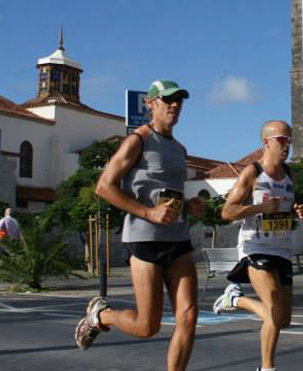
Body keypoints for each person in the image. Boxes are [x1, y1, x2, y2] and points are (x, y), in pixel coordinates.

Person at [74, 80, 202, 371]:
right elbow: (104, 187)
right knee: (147, 326)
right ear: (151, 104)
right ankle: (101, 316)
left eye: (179, 101)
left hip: (178, 237)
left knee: (189, 315)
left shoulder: (180, 149)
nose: (174, 105)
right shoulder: (137, 141)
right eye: (167, 100)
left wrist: (189, 207)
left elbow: (169, 195)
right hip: (145, 239)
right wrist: (148, 213)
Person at [212, 120, 303, 371]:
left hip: (282, 248)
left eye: (290, 140)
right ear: (267, 143)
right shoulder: (252, 172)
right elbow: (227, 211)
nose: (288, 146)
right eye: (282, 140)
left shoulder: (290, 174)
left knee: (283, 319)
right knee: (273, 309)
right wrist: (261, 208)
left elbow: (286, 205)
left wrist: (297, 209)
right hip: (255, 247)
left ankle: (235, 300)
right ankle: (267, 368)